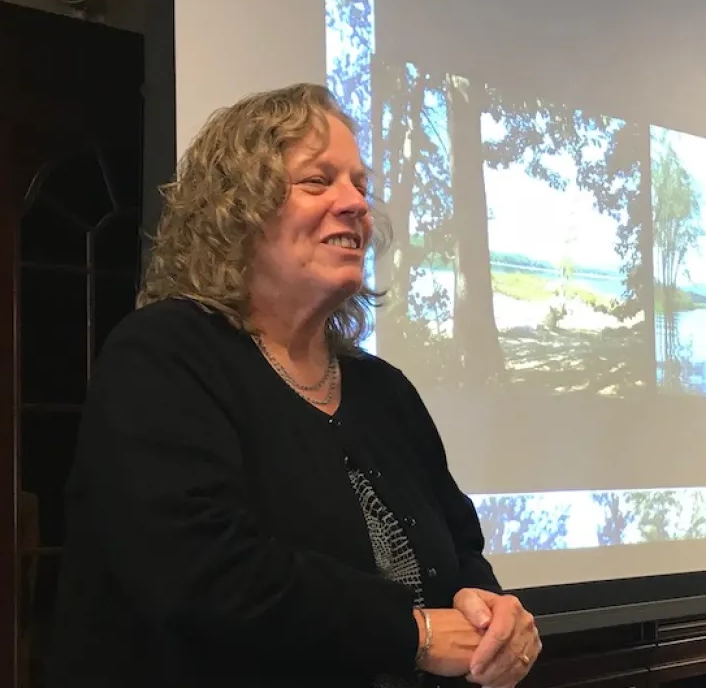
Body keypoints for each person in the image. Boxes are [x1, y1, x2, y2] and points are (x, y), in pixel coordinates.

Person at [46, 83, 542, 688]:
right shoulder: (162, 357)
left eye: (359, 184)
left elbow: (461, 548)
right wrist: (416, 635)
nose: (355, 203)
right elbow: (203, 575)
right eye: (318, 181)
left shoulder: (384, 390)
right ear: (237, 211)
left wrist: (491, 612)